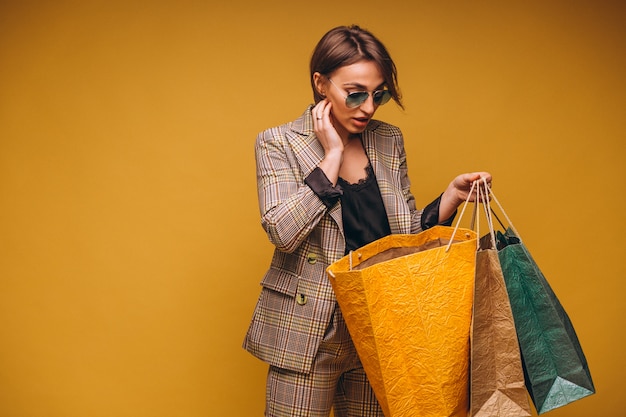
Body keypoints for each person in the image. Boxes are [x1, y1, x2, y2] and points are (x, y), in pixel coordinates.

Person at [243, 25, 492, 417]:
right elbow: (282, 232)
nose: (368, 107)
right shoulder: (278, 143)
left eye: (380, 94)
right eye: (355, 93)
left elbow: (401, 237)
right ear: (321, 83)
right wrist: (331, 157)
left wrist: (450, 197)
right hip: (310, 329)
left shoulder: (387, 140)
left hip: (380, 323)